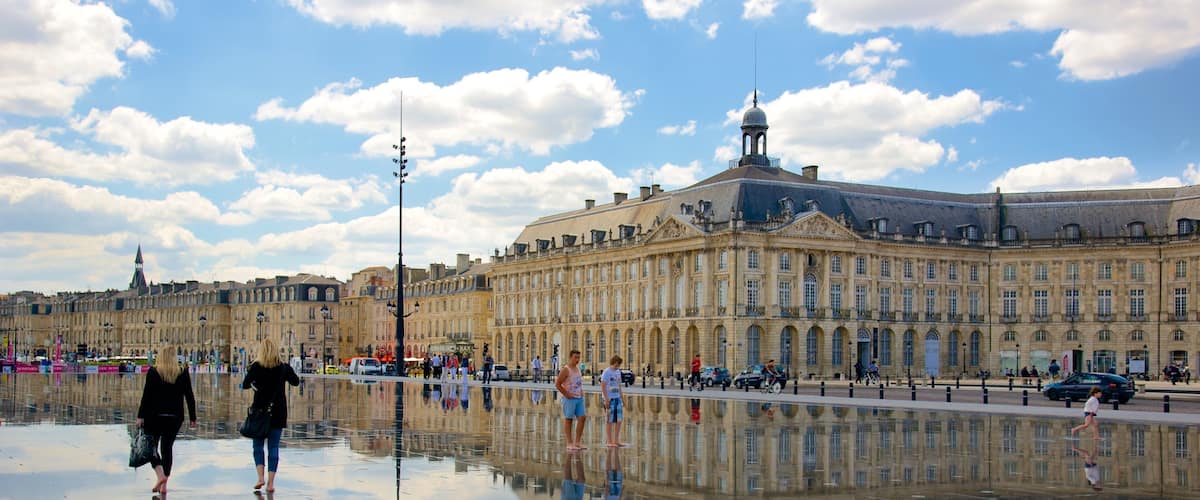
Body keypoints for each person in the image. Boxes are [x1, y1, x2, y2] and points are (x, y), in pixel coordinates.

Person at [136, 341, 197, 496]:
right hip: (175, 417)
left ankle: (160, 475)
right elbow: (189, 396)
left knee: (152, 449)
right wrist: (193, 417)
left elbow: (147, 396)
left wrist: (140, 416)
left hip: (155, 416)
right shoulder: (182, 372)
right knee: (167, 448)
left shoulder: (154, 372)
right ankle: (164, 485)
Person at [241, 336, 301, 493]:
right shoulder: (283, 368)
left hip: (260, 412)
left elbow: (245, 384)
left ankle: (260, 478)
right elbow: (296, 382)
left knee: (258, 446)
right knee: (274, 447)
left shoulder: (256, 367)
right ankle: (270, 483)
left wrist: (257, 387)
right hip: (278, 411)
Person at [555, 349, 587, 451]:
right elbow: (558, 384)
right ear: (570, 357)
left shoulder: (578, 369)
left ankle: (577, 442)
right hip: (569, 398)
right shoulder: (566, 369)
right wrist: (566, 394)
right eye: (575, 357)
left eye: (578, 358)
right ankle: (569, 442)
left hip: (579, 398)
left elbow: (578, 382)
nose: (577, 360)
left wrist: (581, 391)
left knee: (582, 418)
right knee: (569, 419)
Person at [600, 355, 626, 447]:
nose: (617, 367)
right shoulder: (606, 372)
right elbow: (603, 386)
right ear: (612, 363)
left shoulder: (618, 372)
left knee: (619, 420)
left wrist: (622, 398)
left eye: (618, 365)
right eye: (616, 365)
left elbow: (619, 386)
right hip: (609, 399)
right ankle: (609, 441)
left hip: (617, 398)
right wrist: (606, 399)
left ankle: (616, 440)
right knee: (609, 420)